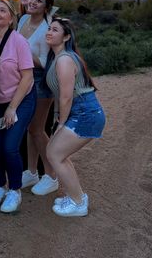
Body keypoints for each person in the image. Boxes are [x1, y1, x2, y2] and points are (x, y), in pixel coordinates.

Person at [44, 18, 106, 217]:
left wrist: (61, 123)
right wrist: (57, 117)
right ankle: (77, 196)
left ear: (66, 37)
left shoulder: (64, 59)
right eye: (49, 28)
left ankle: (78, 203)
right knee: (59, 155)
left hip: (85, 113)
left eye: (55, 30)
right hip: (82, 112)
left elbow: (66, 95)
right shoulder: (59, 58)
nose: (49, 32)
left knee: (54, 154)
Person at [0, 0, 36, 212]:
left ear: (11, 18)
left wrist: (12, 107)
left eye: (2, 10)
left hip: (20, 100)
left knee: (9, 147)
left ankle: (14, 190)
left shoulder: (18, 41)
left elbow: (27, 77)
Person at [18, 0, 58, 196]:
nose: (33, 2)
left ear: (46, 7)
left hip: (40, 81)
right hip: (23, 78)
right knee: (28, 127)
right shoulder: (23, 18)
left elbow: (44, 62)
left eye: (39, 0)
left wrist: (22, 53)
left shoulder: (46, 29)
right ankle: (31, 172)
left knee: (36, 129)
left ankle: (51, 175)